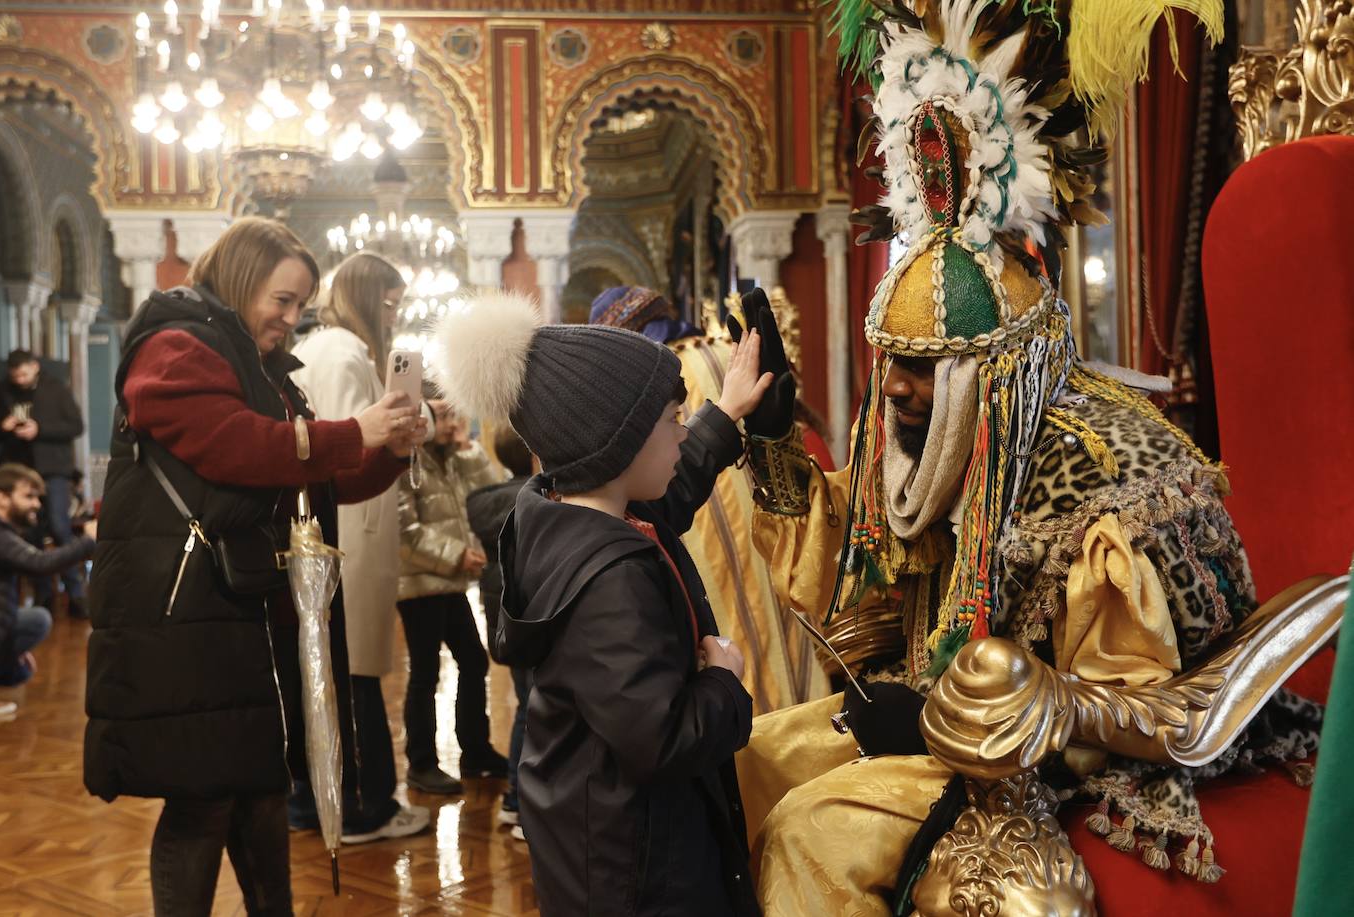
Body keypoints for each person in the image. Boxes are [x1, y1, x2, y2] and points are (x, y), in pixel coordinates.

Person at [734, 3, 1321, 913]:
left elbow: (1128, 706)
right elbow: (851, 569)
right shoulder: (934, 445)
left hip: (1053, 766)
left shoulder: (1097, 476)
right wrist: (773, 434)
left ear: (994, 373)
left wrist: (948, 714)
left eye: (924, 370)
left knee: (814, 832)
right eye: (893, 364)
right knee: (753, 750)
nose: (893, 392)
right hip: (939, 721)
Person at [83, 217, 424, 916]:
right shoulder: (175, 347)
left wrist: (387, 447)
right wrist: (351, 430)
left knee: (260, 792)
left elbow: (310, 478)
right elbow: (236, 447)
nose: (292, 318)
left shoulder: (259, 365)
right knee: (203, 799)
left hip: (236, 612)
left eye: (301, 303)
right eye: (283, 300)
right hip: (184, 614)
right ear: (241, 280)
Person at [432, 291, 771, 916]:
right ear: (619, 446)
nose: (681, 433)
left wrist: (724, 415)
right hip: (640, 870)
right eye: (675, 418)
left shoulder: (563, 514)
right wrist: (725, 682)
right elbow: (660, 739)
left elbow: (668, 491)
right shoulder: (608, 577)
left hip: (601, 841)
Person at [590, 285, 829, 712]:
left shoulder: (653, 377)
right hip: (771, 521)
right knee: (786, 644)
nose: (679, 429)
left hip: (702, 540)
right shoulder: (723, 351)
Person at [290, 250, 430, 844]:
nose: (393, 317)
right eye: (391, 304)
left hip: (343, 524)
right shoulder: (345, 350)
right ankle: (365, 805)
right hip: (354, 527)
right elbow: (351, 442)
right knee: (356, 669)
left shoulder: (325, 347)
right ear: (371, 297)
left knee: (338, 666)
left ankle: (321, 798)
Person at [395, 393, 505, 795]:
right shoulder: (406, 461)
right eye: (439, 414)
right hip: (420, 583)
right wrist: (457, 554)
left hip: (449, 581)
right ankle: (421, 764)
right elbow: (403, 532)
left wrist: (467, 447)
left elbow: (491, 493)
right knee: (425, 673)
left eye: (451, 412)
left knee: (473, 660)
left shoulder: (451, 459)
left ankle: (475, 753)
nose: (448, 420)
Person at [465, 424, 535, 836]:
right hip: (530, 623)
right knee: (532, 712)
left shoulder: (488, 503)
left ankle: (515, 800)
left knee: (526, 708)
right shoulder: (535, 501)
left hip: (507, 626)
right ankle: (520, 802)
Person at [0, 464, 93, 716]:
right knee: (38, 620)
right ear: (0, 497)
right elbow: (38, 564)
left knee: (32, 629)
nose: (37, 505)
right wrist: (87, 542)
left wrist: (12, 650)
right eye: (28, 496)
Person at [0, 349, 88, 616]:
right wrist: (2, 426)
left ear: (35, 367)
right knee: (30, 533)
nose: (19, 379)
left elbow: (76, 426)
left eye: (24, 373)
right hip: (17, 470)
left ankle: (76, 595)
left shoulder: (57, 389)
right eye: (15, 374)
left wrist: (40, 430)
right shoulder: (2, 390)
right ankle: (44, 596)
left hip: (53, 469)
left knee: (59, 526)